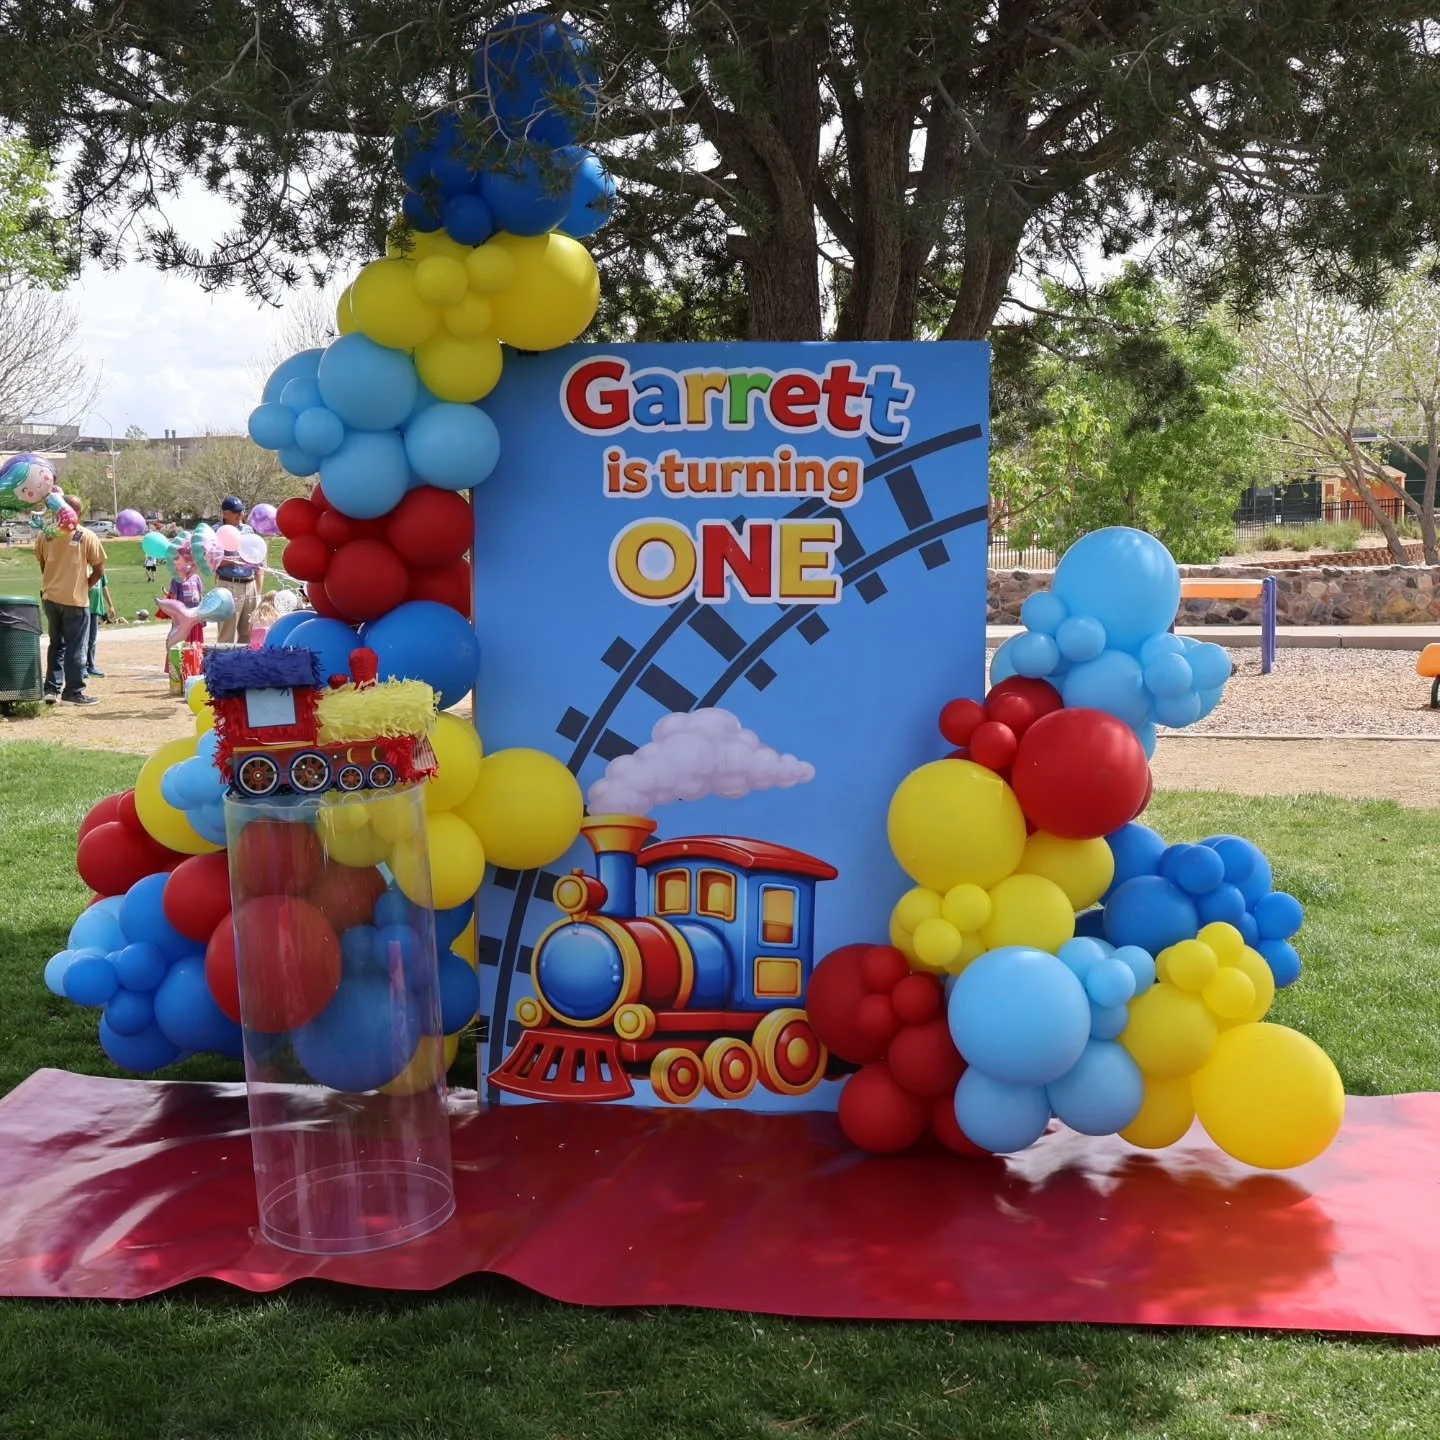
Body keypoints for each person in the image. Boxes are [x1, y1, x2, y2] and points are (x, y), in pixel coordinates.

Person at [34, 494, 105, 706]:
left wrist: (52, 582)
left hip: (50, 597)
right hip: (75, 599)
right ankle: (73, 691)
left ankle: (51, 689)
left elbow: (43, 565)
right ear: (79, 513)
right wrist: (85, 585)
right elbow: (99, 569)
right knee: (76, 646)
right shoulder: (86, 535)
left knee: (56, 644)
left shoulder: (45, 535)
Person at [215, 495, 262, 644]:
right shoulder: (216, 531)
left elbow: (258, 557)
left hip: (250, 584)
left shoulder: (248, 530)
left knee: (249, 634)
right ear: (225, 513)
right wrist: (234, 561)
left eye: (241, 511)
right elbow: (210, 561)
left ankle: (244, 666)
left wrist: (258, 591)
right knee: (226, 634)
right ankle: (223, 666)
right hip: (229, 585)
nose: (240, 515)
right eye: (236, 512)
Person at [85, 572, 116, 678]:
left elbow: (104, 587)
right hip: (83, 607)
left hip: (95, 608)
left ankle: (91, 666)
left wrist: (111, 605)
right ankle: (82, 667)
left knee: (92, 640)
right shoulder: (84, 567)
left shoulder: (99, 569)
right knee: (83, 639)